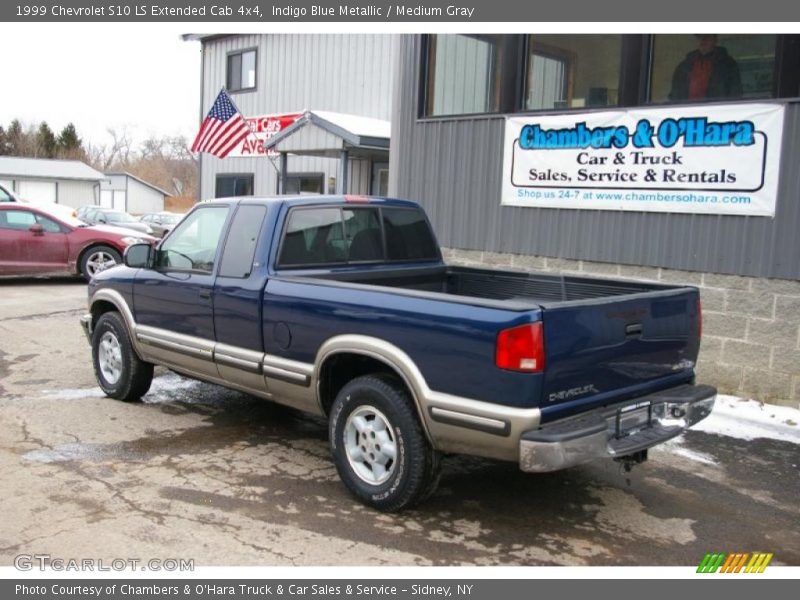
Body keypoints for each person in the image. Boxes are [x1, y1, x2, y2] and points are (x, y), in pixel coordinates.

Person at [669, 35, 742, 101]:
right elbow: (675, 94)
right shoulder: (684, 66)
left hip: (717, 111)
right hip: (687, 112)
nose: (703, 40)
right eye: (699, 37)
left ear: (715, 40)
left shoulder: (727, 65)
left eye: (707, 37)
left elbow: (735, 93)